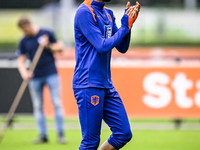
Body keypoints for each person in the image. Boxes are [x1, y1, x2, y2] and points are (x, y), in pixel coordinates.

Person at [73, 0, 140, 150]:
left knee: (123, 133)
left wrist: (128, 26)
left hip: (105, 83)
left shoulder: (108, 13)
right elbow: (102, 46)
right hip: (88, 83)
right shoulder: (84, 12)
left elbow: (122, 47)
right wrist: (125, 27)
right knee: (91, 142)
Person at [16, 16, 66, 144]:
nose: (24, 32)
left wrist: (48, 45)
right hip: (34, 76)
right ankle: (43, 135)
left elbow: (60, 48)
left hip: (51, 74)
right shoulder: (24, 41)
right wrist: (24, 73)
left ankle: (61, 134)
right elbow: (20, 60)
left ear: (29, 24)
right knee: (38, 106)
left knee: (57, 103)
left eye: (24, 29)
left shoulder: (46, 33)